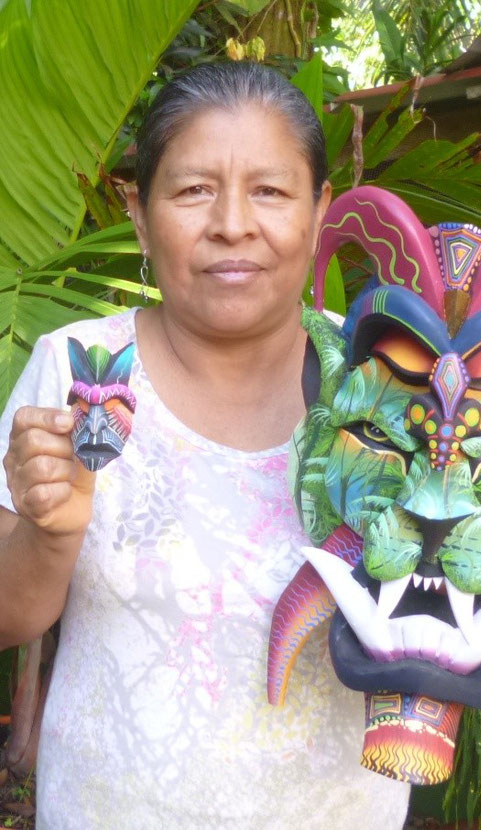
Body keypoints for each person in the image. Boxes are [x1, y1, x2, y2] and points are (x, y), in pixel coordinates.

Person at [0, 62, 411, 829]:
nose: (232, 223)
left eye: (271, 191)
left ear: (322, 210)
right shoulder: (79, 371)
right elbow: (6, 615)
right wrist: (48, 533)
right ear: (139, 210)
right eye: (192, 190)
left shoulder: (387, 393)